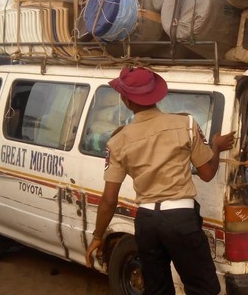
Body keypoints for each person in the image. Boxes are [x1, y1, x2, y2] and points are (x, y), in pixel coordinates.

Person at [85, 67, 235, 295]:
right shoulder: (186, 125)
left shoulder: (117, 141)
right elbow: (207, 173)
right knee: (203, 288)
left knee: (156, 290)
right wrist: (215, 146)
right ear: (156, 95)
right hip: (181, 220)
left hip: (146, 223)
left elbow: (108, 199)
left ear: (126, 101)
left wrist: (98, 236)